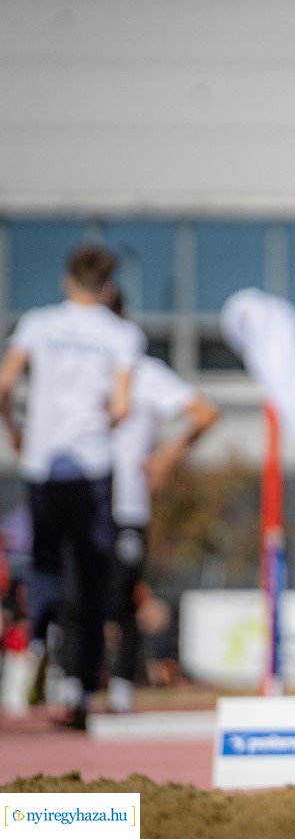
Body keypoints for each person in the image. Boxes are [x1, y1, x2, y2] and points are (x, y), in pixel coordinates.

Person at [0, 244, 145, 728]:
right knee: (92, 578)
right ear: (108, 289)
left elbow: (4, 385)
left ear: (66, 282)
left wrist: (16, 430)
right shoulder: (122, 333)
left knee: (43, 565)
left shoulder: (38, 324)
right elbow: (122, 408)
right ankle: (81, 689)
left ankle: (35, 643)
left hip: (43, 465)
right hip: (92, 467)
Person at [104, 288, 219, 714]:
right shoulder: (68, 363)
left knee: (122, 596)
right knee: (68, 592)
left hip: (126, 505)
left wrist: (166, 456)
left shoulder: (143, 372)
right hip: (75, 493)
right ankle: (67, 683)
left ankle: (118, 686)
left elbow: (205, 412)